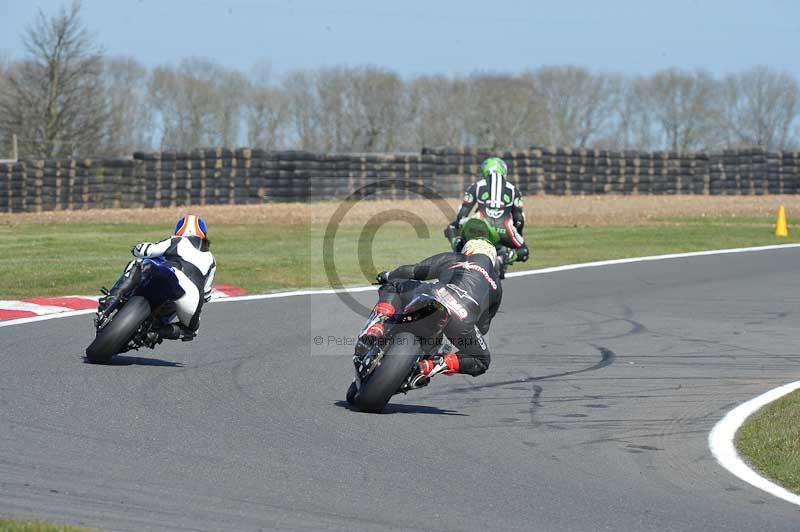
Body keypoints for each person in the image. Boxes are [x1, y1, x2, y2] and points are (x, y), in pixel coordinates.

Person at [362, 238, 502, 382]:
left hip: (435, 294)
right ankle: (432, 365)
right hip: (462, 316)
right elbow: (483, 326)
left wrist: (388, 275)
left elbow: (413, 271)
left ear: (468, 249)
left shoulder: (456, 258)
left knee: (393, 285)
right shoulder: (497, 285)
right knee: (482, 360)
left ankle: (378, 325)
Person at [97, 214, 216, 341]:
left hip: (173, 274)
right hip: (191, 298)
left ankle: (108, 303)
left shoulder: (177, 241)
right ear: (204, 234)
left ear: (179, 230)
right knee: (191, 331)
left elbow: (147, 251)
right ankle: (157, 333)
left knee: (137, 263)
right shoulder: (212, 260)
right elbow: (207, 295)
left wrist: (136, 248)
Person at [444, 156, 530, 263]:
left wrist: (460, 230)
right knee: (524, 251)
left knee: (451, 228)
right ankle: (503, 258)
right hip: (505, 228)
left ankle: (460, 253)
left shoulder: (476, 186)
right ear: (503, 170)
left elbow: (462, 214)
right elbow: (519, 219)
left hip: (480, 224)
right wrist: (518, 234)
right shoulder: (514, 190)